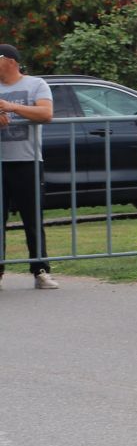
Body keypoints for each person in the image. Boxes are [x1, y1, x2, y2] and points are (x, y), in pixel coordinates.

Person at [0, 43, 57, 290]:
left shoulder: (36, 84)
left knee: (32, 218)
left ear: (10, 60)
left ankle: (40, 270)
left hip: (27, 161)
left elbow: (46, 114)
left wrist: (12, 107)